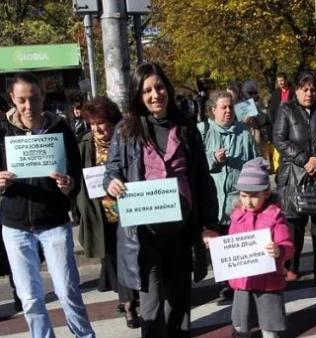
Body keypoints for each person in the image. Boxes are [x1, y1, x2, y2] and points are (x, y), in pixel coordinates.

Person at [104, 63, 219, 338]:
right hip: (144, 236)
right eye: (147, 90)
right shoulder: (125, 130)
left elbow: (203, 179)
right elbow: (111, 170)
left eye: (159, 87)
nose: (155, 94)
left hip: (181, 233)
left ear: (167, 88)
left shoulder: (187, 128)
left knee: (179, 307)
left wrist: (209, 224)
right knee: (152, 308)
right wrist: (112, 182)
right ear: (138, 95)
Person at [0, 72, 95, 337]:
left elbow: (76, 174)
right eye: (22, 100)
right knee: (30, 299)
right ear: (12, 100)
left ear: (44, 98)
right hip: (15, 226)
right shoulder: (2, 131)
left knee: (68, 293)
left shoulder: (61, 129)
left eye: (35, 99)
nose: (29, 106)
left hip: (53, 222)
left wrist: (69, 184)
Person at [73, 96, 140, 329]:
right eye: (92, 124)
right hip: (99, 215)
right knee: (113, 260)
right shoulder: (83, 144)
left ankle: (131, 301)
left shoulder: (127, 140)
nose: (97, 129)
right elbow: (75, 180)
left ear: (112, 121)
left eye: (100, 122)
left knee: (130, 259)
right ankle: (127, 300)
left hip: (128, 211)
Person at [273, 71, 316, 288]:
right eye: (304, 89)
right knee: (294, 227)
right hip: (294, 176)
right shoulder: (286, 110)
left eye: (312, 89)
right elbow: (279, 139)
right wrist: (304, 159)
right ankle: (291, 268)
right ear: (296, 90)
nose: (309, 93)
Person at [199, 90, 258, 302]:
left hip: (236, 204)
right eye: (223, 107)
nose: (227, 111)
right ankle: (223, 284)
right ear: (213, 110)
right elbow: (193, 167)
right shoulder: (203, 131)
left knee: (236, 245)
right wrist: (213, 158)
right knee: (217, 246)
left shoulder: (243, 133)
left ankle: (238, 283)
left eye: (230, 107)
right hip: (212, 202)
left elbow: (254, 162)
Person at [226, 157, 294, 338]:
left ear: (266, 193)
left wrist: (280, 250)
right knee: (241, 324)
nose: (248, 202)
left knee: (269, 326)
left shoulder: (275, 217)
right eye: (243, 195)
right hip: (243, 282)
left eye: (254, 196)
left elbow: (288, 245)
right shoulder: (237, 216)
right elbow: (230, 244)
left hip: (268, 281)